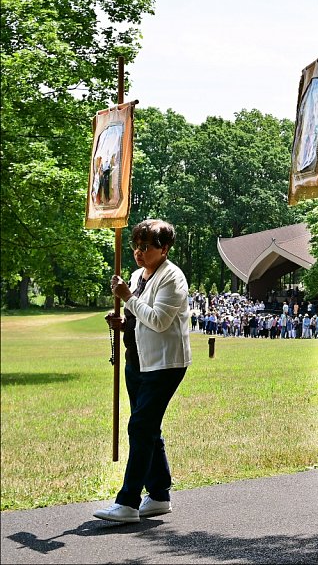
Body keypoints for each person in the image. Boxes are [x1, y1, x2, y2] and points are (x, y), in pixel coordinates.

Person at [94, 219, 191, 523]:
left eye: (146, 246)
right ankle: (159, 495)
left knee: (140, 427)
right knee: (148, 428)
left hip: (164, 364)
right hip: (136, 361)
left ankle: (127, 502)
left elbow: (159, 320)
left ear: (164, 249)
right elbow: (140, 318)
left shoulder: (173, 278)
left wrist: (127, 299)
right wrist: (123, 322)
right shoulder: (138, 276)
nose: (138, 251)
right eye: (136, 245)